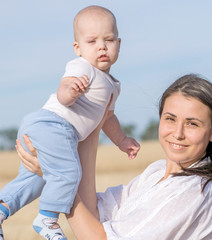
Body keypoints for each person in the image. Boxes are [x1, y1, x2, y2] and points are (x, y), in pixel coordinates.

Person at [15, 74, 212, 240]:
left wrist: (56, 176)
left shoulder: (197, 191)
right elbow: (93, 211)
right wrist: (95, 126)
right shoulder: (158, 172)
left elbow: (98, 237)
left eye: (192, 123)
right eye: (170, 119)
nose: (177, 133)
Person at [0, 5, 140, 240]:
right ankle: (47, 218)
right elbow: (63, 91)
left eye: (109, 39)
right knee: (70, 171)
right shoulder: (82, 67)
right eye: (92, 41)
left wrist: (122, 140)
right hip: (54, 126)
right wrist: (71, 92)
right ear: (78, 48)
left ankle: (3, 208)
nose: (102, 46)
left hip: (44, 129)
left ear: (119, 44)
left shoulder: (113, 84)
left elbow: (108, 117)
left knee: (36, 179)